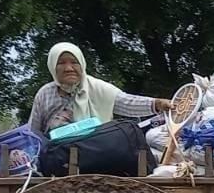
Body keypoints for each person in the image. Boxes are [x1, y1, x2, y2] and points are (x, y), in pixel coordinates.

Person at [27, 42, 171, 136]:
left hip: (94, 154)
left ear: (82, 65)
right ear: (53, 66)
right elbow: (33, 132)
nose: (69, 68)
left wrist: (157, 104)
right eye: (61, 63)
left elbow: (127, 102)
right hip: (54, 158)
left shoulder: (97, 88)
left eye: (74, 62)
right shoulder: (44, 93)